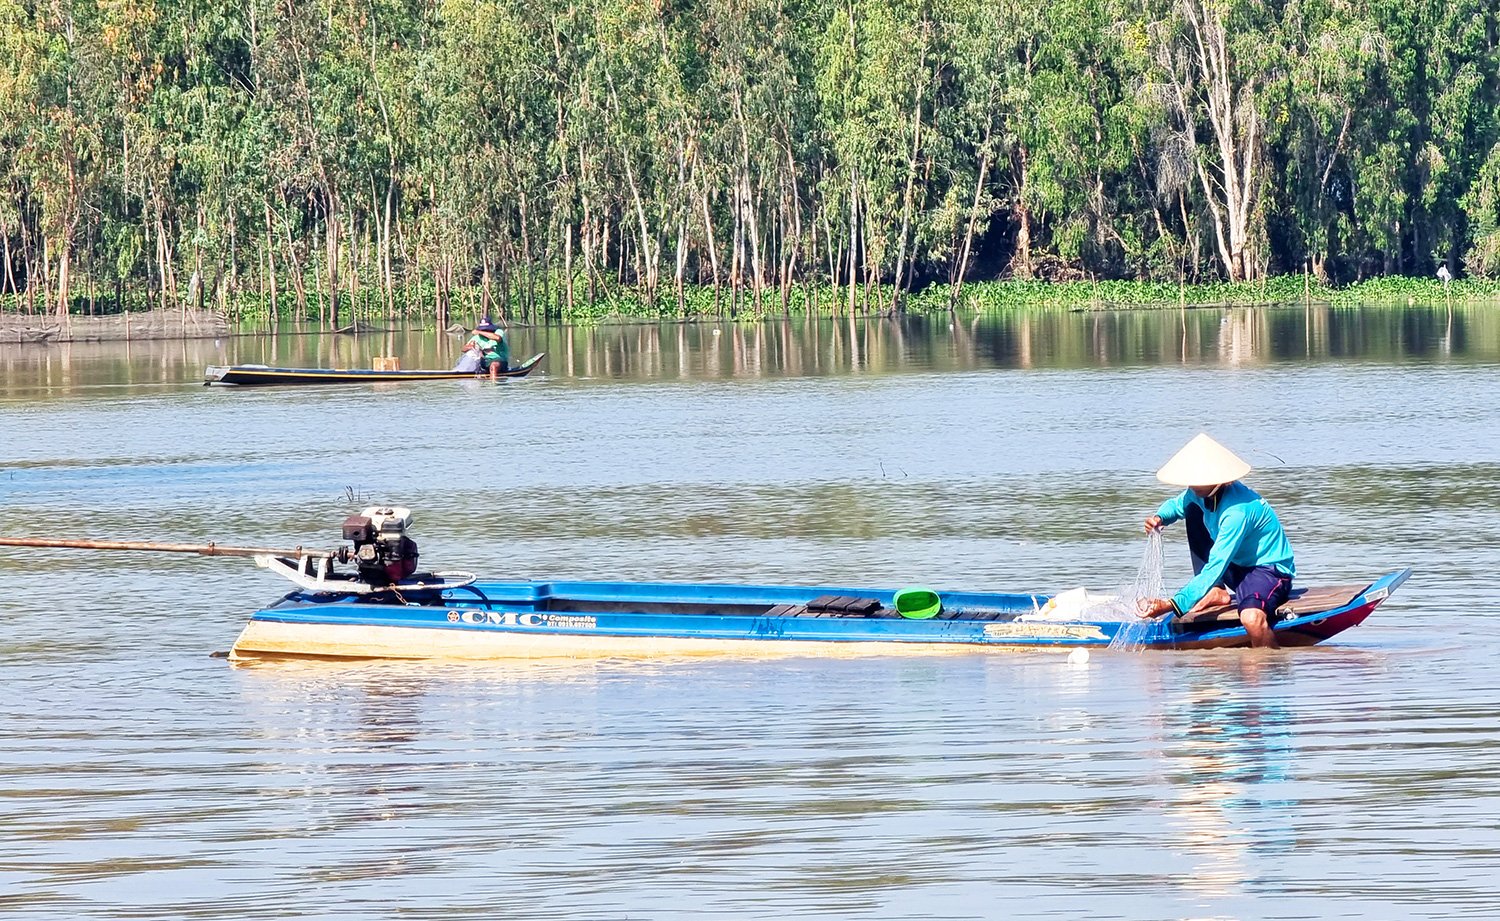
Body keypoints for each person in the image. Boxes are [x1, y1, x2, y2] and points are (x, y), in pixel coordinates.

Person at [1138, 433, 1295, 649]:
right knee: (1192, 510)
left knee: (1251, 619)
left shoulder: (1237, 512)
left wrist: (1171, 604)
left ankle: (1269, 661)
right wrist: (1159, 518)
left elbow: (1215, 566)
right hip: (1236, 565)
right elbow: (1176, 505)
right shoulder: (1199, 493)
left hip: (1268, 570)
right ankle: (1217, 590)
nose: (1192, 485)